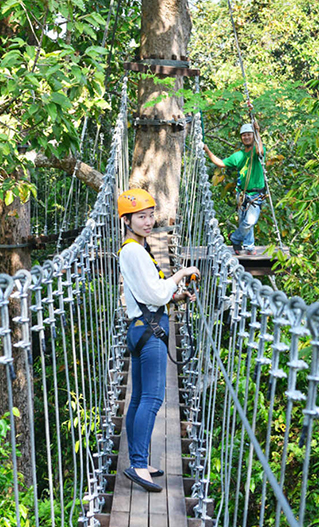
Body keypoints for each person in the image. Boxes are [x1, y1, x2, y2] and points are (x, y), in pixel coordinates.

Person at [117, 188, 199, 492]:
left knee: (139, 398)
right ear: (127, 220)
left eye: (151, 215)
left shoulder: (136, 249)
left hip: (142, 326)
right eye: (141, 216)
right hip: (149, 332)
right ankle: (138, 464)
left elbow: (150, 294)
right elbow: (155, 293)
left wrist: (175, 297)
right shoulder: (134, 251)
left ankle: (142, 460)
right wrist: (180, 275)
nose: (149, 221)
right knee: (151, 399)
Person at [203, 118, 266, 255]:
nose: (246, 137)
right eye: (244, 135)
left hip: (256, 194)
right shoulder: (238, 155)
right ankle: (249, 246)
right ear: (241, 138)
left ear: (253, 136)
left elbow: (260, 152)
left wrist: (257, 132)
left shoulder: (257, 150)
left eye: (249, 134)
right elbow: (220, 163)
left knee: (249, 221)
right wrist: (207, 151)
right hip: (243, 193)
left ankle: (235, 238)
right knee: (245, 221)